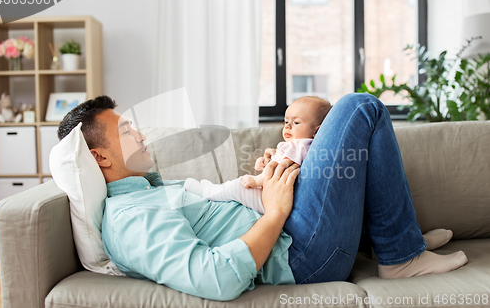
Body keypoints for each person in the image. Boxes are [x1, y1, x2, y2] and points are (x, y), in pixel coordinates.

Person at [57, 94, 468, 301]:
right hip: (301, 253)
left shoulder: (149, 189)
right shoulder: (129, 218)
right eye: (127, 131)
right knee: (362, 107)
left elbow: (219, 211)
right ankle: (400, 257)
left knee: (336, 134)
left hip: (293, 228)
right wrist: (274, 211)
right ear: (101, 157)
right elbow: (212, 277)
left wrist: (262, 180)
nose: (142, 135)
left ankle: (396, 242)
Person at [184, 96, 332, 214]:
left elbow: (277, 174)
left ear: (316, 131)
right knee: (236, 190)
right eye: (286, 121)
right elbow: (279, 169)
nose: (287, 126)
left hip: (270, 199)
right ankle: (215, 189)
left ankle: (207, 192)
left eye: (296, 122)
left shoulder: (298, 145)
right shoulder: (304, 148)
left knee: (237, 187)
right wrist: (267, 163)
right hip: (273, 195)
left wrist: (255, 181)